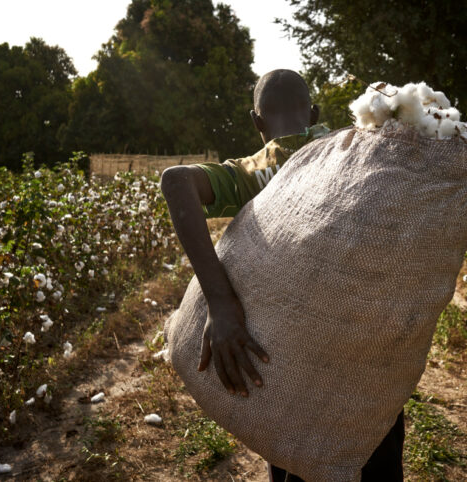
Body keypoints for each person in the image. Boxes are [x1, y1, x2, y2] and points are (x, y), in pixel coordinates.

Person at [160, 69, 404, 482]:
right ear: (315, 112)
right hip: (368, 357)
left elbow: (176, 181)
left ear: (256, 121)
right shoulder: (358, 146)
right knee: (374, 456)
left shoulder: (252, 172)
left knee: (297, 460)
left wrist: (220, 303)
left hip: (290, 367)